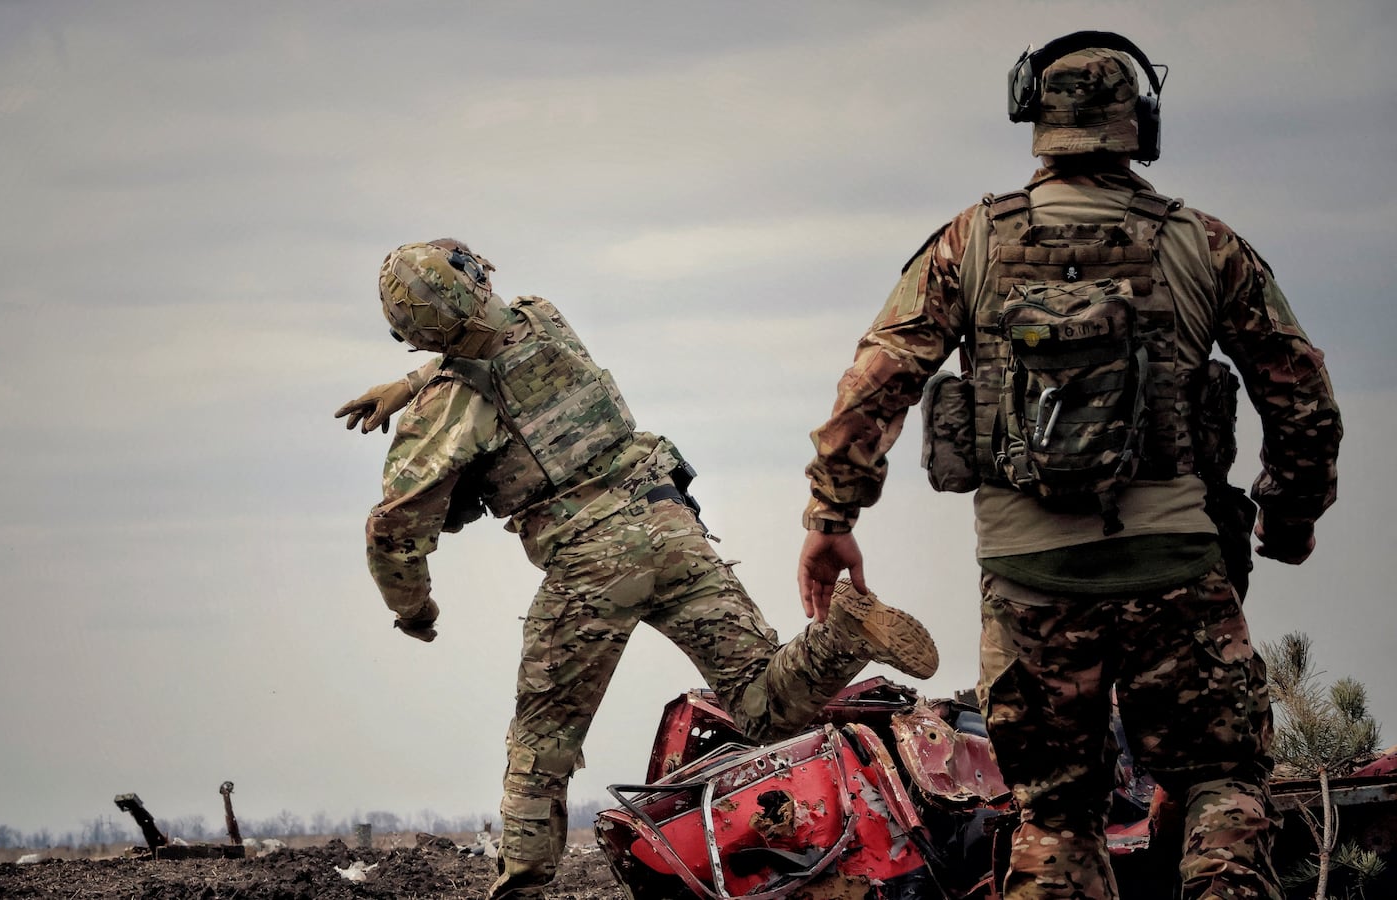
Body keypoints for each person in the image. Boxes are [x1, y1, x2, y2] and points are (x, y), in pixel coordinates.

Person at [796, 32, 1341, 900]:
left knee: (1053, 814)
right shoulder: (1206, 244)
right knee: (1220, 779)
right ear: (1140, 125)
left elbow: (876, 385)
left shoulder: (967, 242)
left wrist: (832, 521)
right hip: (1176, 569)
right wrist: (1289, 519)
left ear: (1034, 119)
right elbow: (1303, 399)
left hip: (1028, 582)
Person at [339, 238, 940, 899]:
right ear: (476, 279)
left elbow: (394, 530)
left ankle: (520, 891)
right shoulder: (544, 317)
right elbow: (487, 352)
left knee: (541, 745)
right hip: (669, 523)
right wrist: (407, 386)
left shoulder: (443, 410)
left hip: (592, 565)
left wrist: (413, 609)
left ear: (413, 329)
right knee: (764, 706)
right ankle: (844, 634)